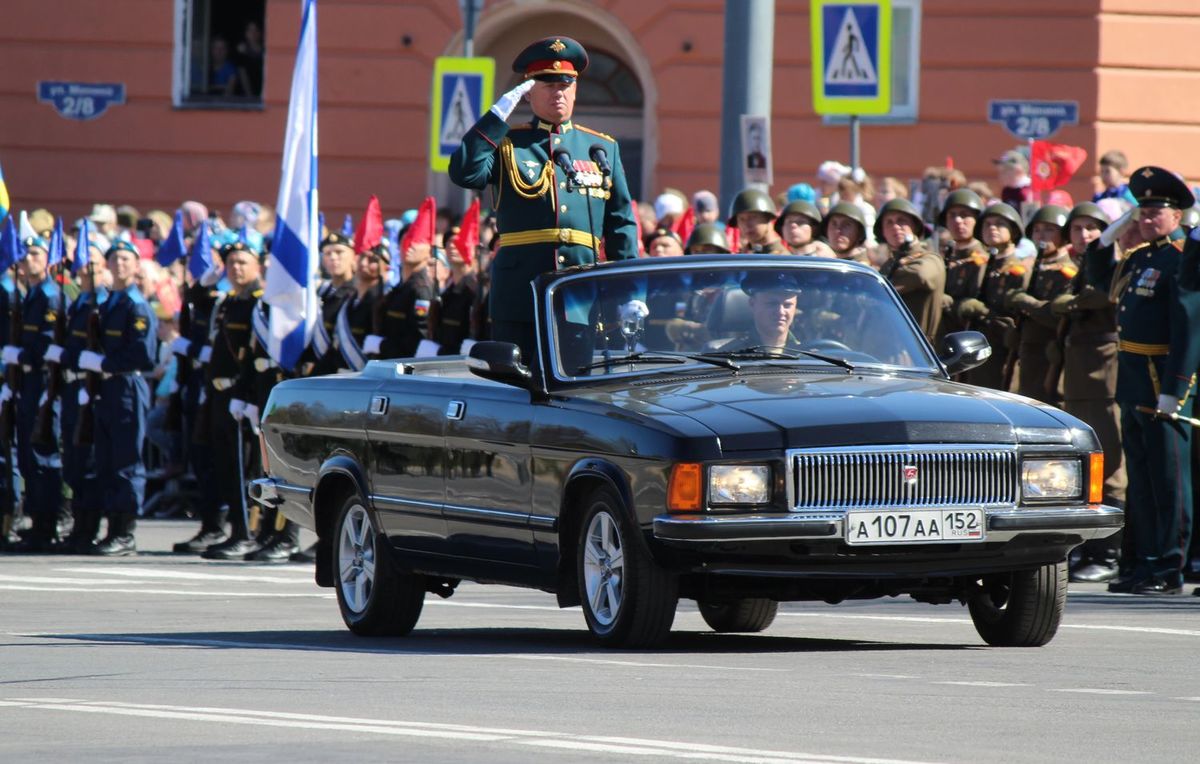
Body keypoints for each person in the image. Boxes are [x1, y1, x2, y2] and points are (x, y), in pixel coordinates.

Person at [449, 36, 638, 365]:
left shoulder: (602, 148)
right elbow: (465, 173)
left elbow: (621, 223)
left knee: (573, 388)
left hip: (579, 296)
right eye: (547, 83)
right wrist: (496, 117)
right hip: (520, 295)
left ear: (575, 89)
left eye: (566, 84)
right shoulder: (508, 144)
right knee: (516, 391)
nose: (558, 92)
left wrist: (630, 289)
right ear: (529, 90)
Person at [1085, 167, 1200, 595]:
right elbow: (1099, 282)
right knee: (1143, 478)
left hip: (1163, 382)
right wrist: (1107, 237)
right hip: (1134, 382)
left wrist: (1177, 388)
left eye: (1157, 212)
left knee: (1170, 482)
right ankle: (1142, 561)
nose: (1148, 219)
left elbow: (1189, 326)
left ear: (1177, 215)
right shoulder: (1141, 257)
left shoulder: (1183, 258)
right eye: (1143, 211)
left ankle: (1169, 567)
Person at [1050, 202, 1127, 582]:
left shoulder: (1115, 262)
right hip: (1078, 378)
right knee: (1086, 462)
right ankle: (1090, 548)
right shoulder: (1079, 267)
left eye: (1092, 229)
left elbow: (1108, 296)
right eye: (1077, 229)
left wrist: (1074, 302)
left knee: (1111, 464)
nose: (1084, 236)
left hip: (1103, 378)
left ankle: (1109, 553)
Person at [77, 240, 157, 556]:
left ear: (136, 266)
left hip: (126, 386)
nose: (119, 264)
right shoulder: (110, 303)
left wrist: (104, 364)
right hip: (108, 388)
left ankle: (125, 531)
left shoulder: (136, 305)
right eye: (114, 259)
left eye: (126, 259)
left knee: (127, 460)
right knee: (108, 459)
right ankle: (112, 527)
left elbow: (143, 353)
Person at [200, 238, 265, 560]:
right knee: (225, 466)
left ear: (258, 266)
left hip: (241, 395)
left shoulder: (258, 302)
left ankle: (247, 533)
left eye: (243, 262)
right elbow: (196, 306)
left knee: (244, 469)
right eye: (231, 263)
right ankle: (235, 530)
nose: (236, 268)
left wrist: (248, 396)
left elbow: (256, 355)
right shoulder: (229, 301)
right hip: (220, 394)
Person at [2, 233, 64, 551]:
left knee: (42, 455)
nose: (28, 260)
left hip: (42, 381)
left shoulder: (49, 295)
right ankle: (39, 521)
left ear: (48, 259)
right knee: (28, 454)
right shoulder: (32, 294)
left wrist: (20, 357)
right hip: (28, 381)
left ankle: (47, 524)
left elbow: (47, 344)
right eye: (25, 256)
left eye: (36, 254)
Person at [57, 245, 110, 553]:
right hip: (72, 386)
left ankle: (89, 527)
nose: (86, 268)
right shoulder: (79, 301)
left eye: (93, 263)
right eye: (82, 263)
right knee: (74, 462)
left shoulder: (101, 302)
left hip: (91, 388)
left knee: (89, 461)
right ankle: (79, 525)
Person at [1003, 205, 1076, 403]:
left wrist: (1027, 303)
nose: (1041, 235)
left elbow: (1058, 315)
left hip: (1049, 352)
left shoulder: (1068, 272)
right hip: (1026, 350)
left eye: (1049, 230)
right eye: (1037, 230)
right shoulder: (1030, 267)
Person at [956, 203, 1030, 390]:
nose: (992, 228)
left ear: (1013, 231)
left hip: (1001, 349)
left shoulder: (1019, 270)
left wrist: (983, 311)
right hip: (975, 346)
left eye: (999, 224)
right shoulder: (979, 265)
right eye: (987, 224)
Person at [875, 198, 946, 343]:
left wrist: (883, 283)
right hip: (886, 345)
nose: (895, 226)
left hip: (917, 350)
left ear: (915, 227)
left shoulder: (931, 259)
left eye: (902, 221)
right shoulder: (887, 265)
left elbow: (921, 275)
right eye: (889, 222)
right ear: (883, 231)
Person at [365, 239, 438, 360]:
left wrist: (382, 345)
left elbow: (418, 340)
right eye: (406, 239)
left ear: (429, 251)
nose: (410, 244)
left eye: (417, 240)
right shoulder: (400, 288)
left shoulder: (420, 290)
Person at [937, 189, 988, 343]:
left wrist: (945, 301)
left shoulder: (983, 259)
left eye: (965, 215)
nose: (958, 221)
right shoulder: (945, 255)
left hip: (969, 338)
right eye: (952, 215)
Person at [717, 272, 803, 353]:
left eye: (787, 305)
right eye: (772, 304)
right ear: (752, 304)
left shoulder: (809, 353)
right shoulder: (731, 356)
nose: (780, 312)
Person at [727, 189, 787, 254]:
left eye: (753, 217)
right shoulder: (739, 257)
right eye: (742, 219)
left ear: (768, 218)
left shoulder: (784, 259)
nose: (747, 224)